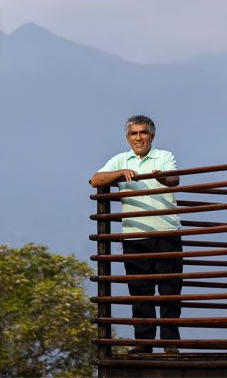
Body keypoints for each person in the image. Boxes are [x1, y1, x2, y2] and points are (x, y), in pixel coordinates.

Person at [90, 115, 182, 356]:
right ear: (127, 137)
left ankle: (170, 344)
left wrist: (159, 177)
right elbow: (95, 179)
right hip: (134, 236)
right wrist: (120, 173)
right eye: (134, 133)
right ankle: (144, 343)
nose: (138, 137)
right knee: (140, 293)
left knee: (169, 290)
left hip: (166, 232)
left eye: (143, 133)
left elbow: (174, 179)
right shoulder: (121, 159)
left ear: (152, 135)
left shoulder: (164, 156)